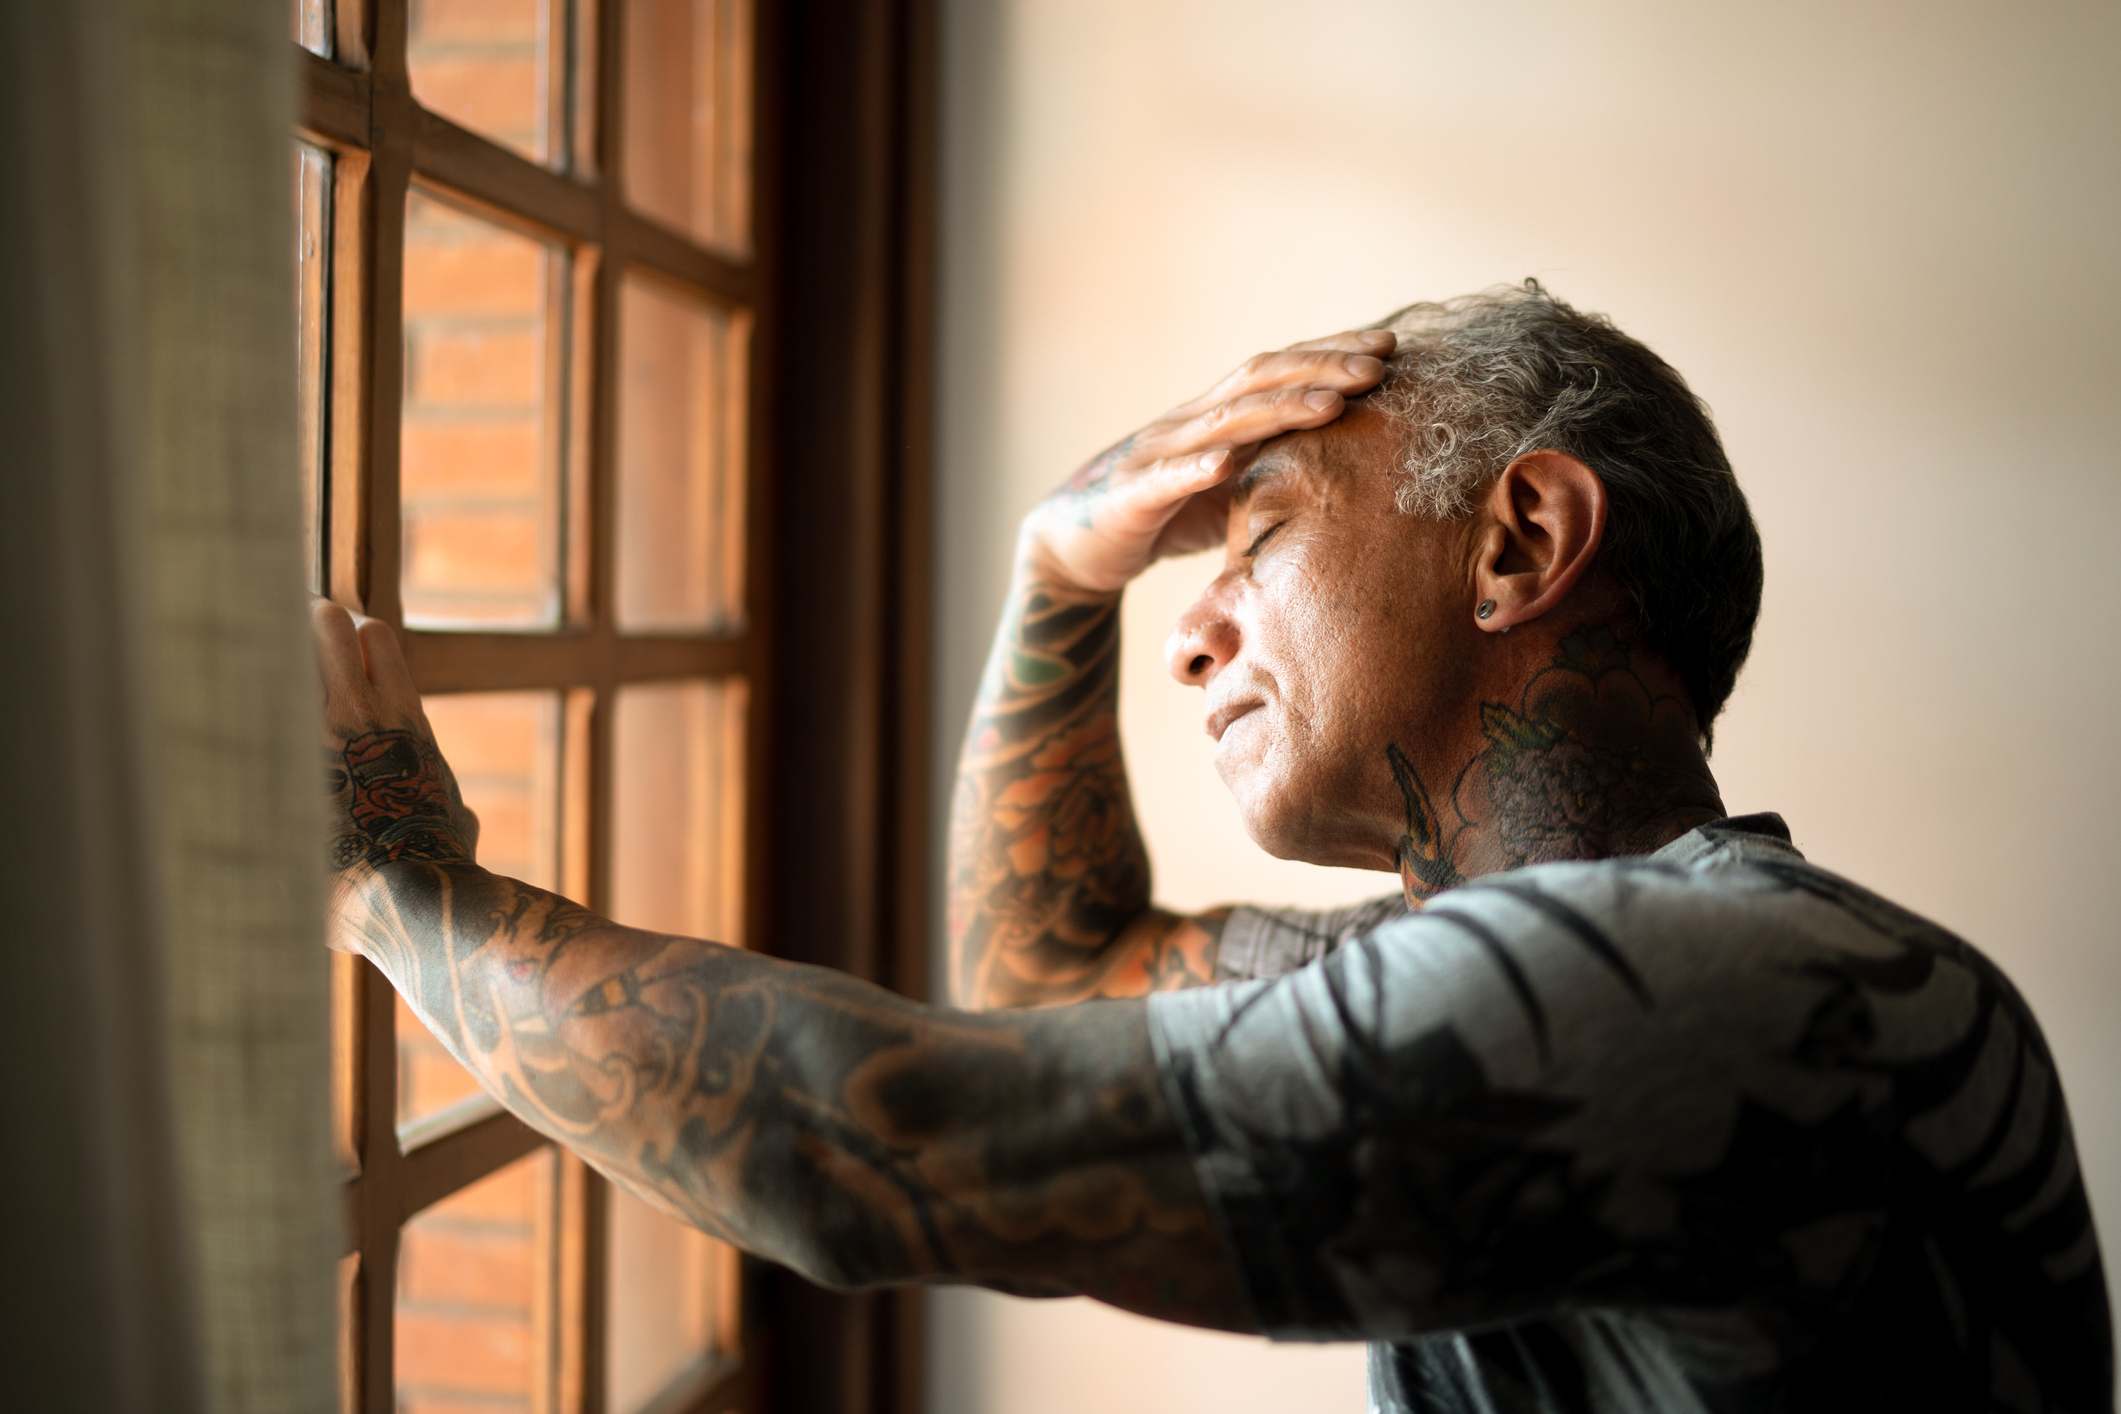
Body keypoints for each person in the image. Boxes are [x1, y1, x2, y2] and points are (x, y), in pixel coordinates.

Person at [316, 283, 2112, 1413]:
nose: (1194, 629)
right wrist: (1055, 573)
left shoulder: (1708, 992)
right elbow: (1047, 974)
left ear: (1518, 544)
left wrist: (392, 875)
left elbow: (871, 1142)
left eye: (1253, 538)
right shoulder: (1530, 956)